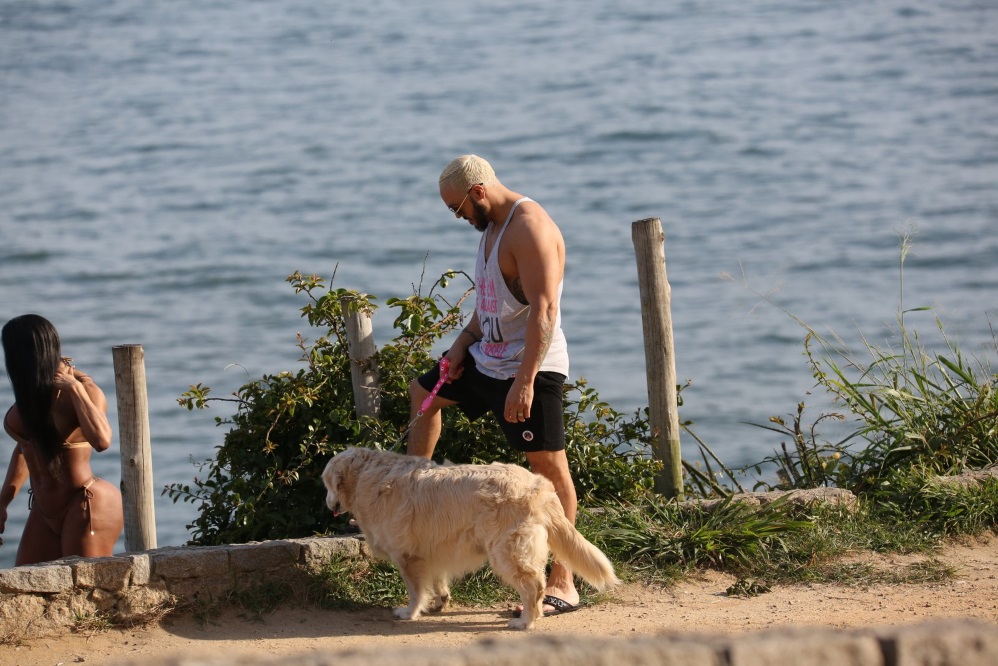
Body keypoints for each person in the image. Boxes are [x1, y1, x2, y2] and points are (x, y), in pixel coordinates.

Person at [408, 154, 581, 616]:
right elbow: (491, 306)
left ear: (478, 192)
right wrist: (462, 344)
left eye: (457, 208)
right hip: (489, 360)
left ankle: (563, 581)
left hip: (531, 367)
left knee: (548, 469)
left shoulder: (530, 228)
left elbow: (543, 313)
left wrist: (524, 384)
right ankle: (412, 494)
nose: (458, 217)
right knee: (424, 394)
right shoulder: (490, 230)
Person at [0, 314, 123, 565]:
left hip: (84, 503)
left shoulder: (81, 388)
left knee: (87, 591)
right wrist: (3, 501)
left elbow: (102, 440)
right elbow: (26, 447)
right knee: (27, 591)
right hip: (44, 510)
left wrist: (74, 388)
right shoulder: (31, 392)